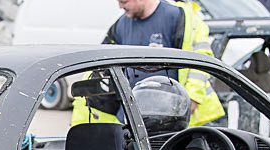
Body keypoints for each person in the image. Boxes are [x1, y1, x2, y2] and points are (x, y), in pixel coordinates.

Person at [72, 0, 224, 127]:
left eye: (124, 1)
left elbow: (200, 61)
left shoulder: (179, 18)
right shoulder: (120, 26)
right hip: (133, 121)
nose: (120, 6)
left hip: (174, 120)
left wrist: (192, 98)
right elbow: (100, 68)